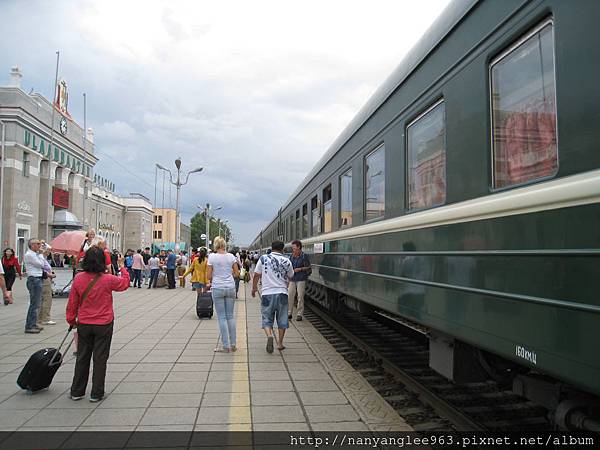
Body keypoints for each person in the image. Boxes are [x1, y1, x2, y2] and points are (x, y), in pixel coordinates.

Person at [67, 246, 129, 402]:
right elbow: (125, 284)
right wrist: (122, 266)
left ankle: (77, 391)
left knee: (82, 357)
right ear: (102, 261)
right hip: (104, 322)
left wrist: (71, 319)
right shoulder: (107, 279)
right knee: (100, 358)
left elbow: (72, 302)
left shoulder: (79, 278)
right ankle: (96, 392)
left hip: (84, 323)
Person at [252, 241, 294, 353]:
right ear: (283, 249)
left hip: (267, 293)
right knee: (282, 319)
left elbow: (256, 274)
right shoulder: (287, 260)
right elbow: (291, 276)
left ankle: (269, 335)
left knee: (266, 318)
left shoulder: (263, 258)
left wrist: (254, 288)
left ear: (272, 248)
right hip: (282, 293)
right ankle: (280, 343)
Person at [207, 237, 239, 352]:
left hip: (218, 288)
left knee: (222, 317)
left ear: (215, 245)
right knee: (230, 316)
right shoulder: (231, 256)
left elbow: (209, 276)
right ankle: (234, 344)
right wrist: (228, 274)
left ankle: (225, 346)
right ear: (224, 245)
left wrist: (216, 274)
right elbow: (237, 273)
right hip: (230, 287)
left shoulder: (212, 257)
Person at [23, 239, 48, 333]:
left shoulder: (34, 254)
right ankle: (29, 326)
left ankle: (33, 324)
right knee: (34, 304)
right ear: (32, 245)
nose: (39, 245)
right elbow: (41, 264)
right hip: (34, 279)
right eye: (38, 244)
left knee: (37, 303)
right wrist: (41, 254)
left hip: (37, 279)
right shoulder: (30, 255)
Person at [288, 240, 312, 321]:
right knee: (290, 295)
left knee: (300, 296)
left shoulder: (304, 256)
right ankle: (289, 312)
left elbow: (308, 267)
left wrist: (300, 269)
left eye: (294, 248)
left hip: (301, 278)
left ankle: (299, 314)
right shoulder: (291, 256)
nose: (293, 249)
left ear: (299, 247)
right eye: (292, 248)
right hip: (292, 278)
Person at [38, 242, 57, 326]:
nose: (49, 252)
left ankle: (40, 318)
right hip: (45, 280)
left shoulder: (42, 258)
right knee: (47, 299)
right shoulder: (41, 258)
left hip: (45, 279)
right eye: (48, 250)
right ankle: (45, 318)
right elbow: (41, 269)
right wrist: (50, 275)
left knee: (42, 299)